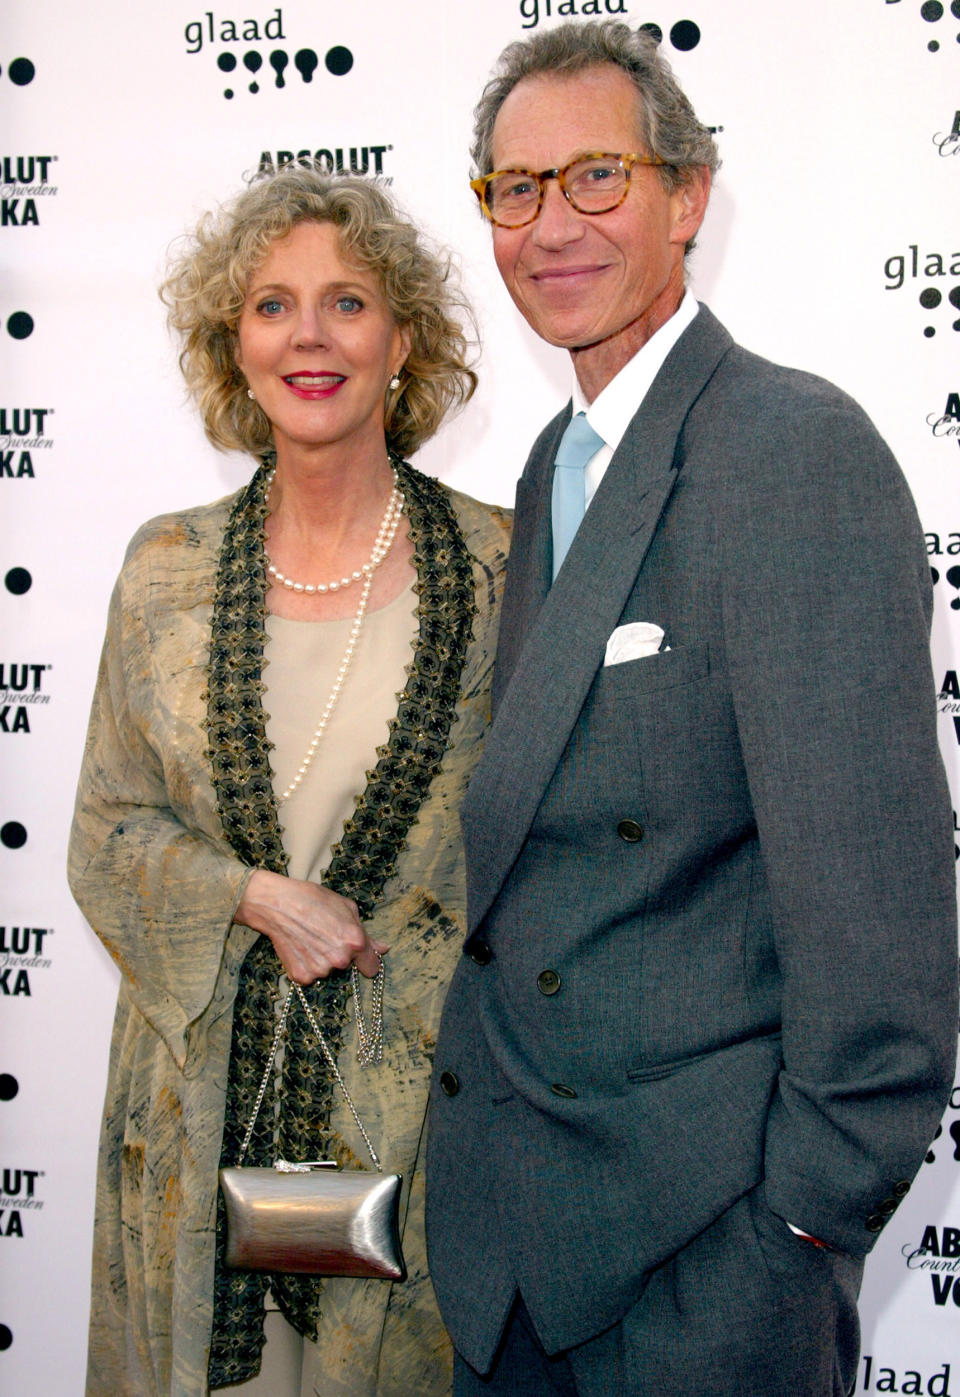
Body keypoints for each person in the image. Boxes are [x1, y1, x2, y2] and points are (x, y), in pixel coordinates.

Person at [425, 21, 958, 1397]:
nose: (553, 224)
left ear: (689, 197)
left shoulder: (796, 453)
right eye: (516, 189)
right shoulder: (555, 462)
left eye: (596, 176)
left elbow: (879, 927)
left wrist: (791, 1232)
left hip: (701, 1282)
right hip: (519, 1265)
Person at [68, 167, 509, 1397]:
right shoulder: (163, 571)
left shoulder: (504, 567)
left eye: (347, 302)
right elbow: (106, 831)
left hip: (417, 1129)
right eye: (272, 305)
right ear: (235, 345)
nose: (308, 335)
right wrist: (252, 892)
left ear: (402, 338)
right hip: (192, 1114)